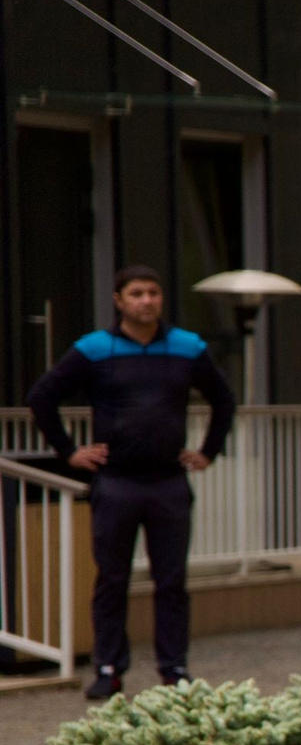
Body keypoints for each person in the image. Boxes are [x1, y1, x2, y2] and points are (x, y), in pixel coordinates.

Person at [26, 265, 236, 699]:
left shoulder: (188, 346)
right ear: (119, 301)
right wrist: (70, 452)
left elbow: (223, 399)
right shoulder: (94, 349)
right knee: (112, 579)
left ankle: (174, 668)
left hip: (169, 483)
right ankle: (108, 668)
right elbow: (42, 396)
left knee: (172, 582)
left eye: (153, 293)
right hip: (116, 483)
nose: (146, 300)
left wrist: (208, 452)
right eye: (137, 293)